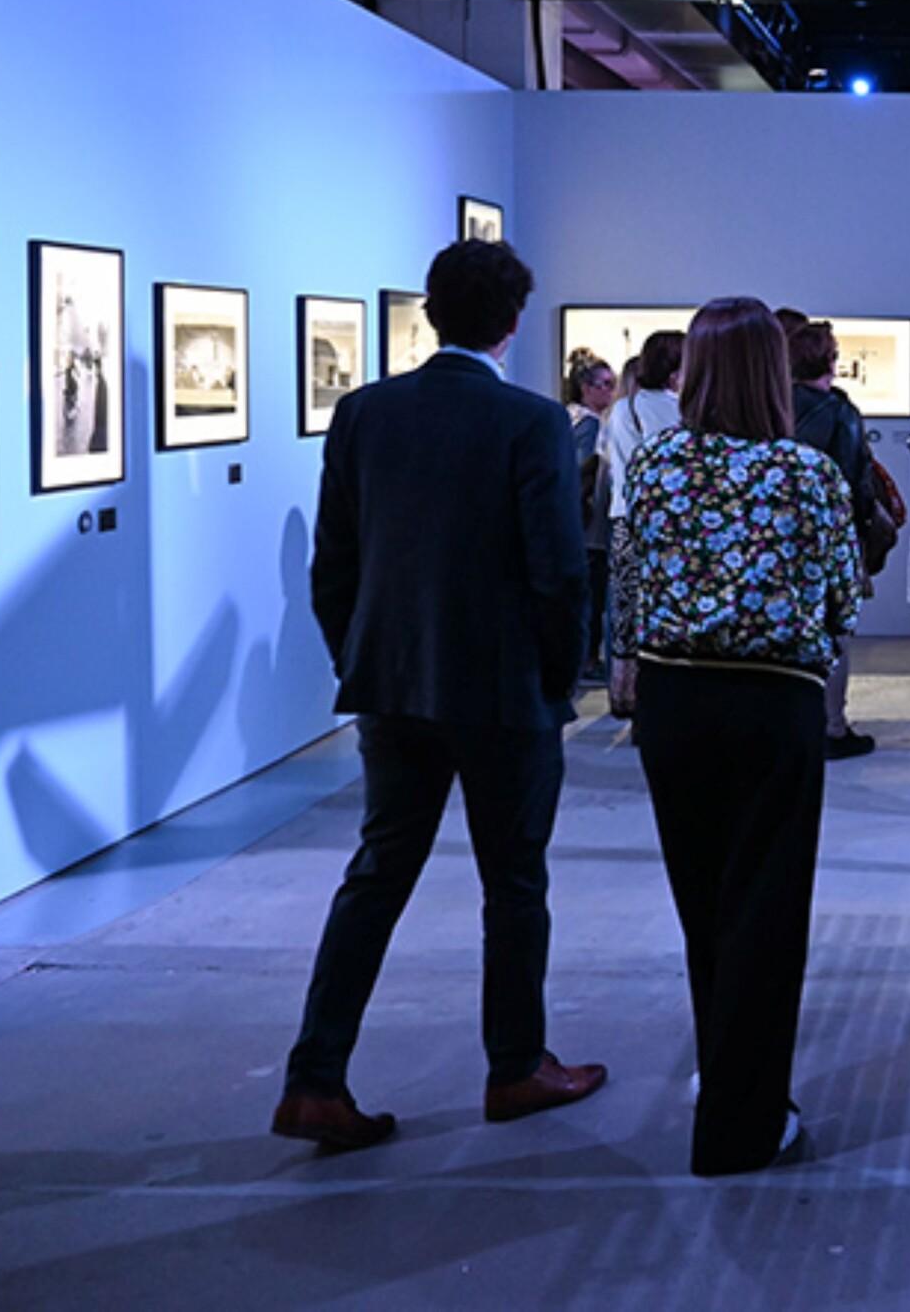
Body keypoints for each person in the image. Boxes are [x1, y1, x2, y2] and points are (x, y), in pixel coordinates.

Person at [276, 239, 604, 1153]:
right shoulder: (530, 422)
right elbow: (560, 574)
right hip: (504, 694)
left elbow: (333, 564)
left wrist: (361, 657)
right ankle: (516, 1065)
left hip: (393, 686)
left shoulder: (364, 412)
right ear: (512, 322)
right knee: (514, 882)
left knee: (377, 875)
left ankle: (314, 1078)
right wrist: (557, 678)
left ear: (430, 313)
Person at [624, 297, 859, 1175]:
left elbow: (631, 582)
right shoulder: (805, 474)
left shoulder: (655, 466)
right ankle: (742, 1121)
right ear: (773, 374)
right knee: (766, 908)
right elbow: (843, 598)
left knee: (703, 903)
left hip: (674, 702)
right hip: (773, 704)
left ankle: (723, 1074)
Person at [788, 320, 877, 762]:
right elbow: (856, 482)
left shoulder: (775, 406)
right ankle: (832, 726)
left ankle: (794, 723)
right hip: (831, 538)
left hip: (782, 538)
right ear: (829, 360)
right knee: (836, 631)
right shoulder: (841, 411)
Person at [602, 330, 685, 723]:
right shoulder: (676, 409)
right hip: (665, 523)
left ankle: (622, 694)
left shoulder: (624, 407)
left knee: (624, 610)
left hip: (623, 517)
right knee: (663, 611)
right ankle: (655, 700)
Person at [564, 352, 619, 680]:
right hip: (589, 525)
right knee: (591, 596)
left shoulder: (568, 417)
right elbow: (584, 470)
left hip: (575, 524)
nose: (611, 392)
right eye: (606, 385)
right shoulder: (590, 424)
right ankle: (586, 659)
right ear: (586, 388)